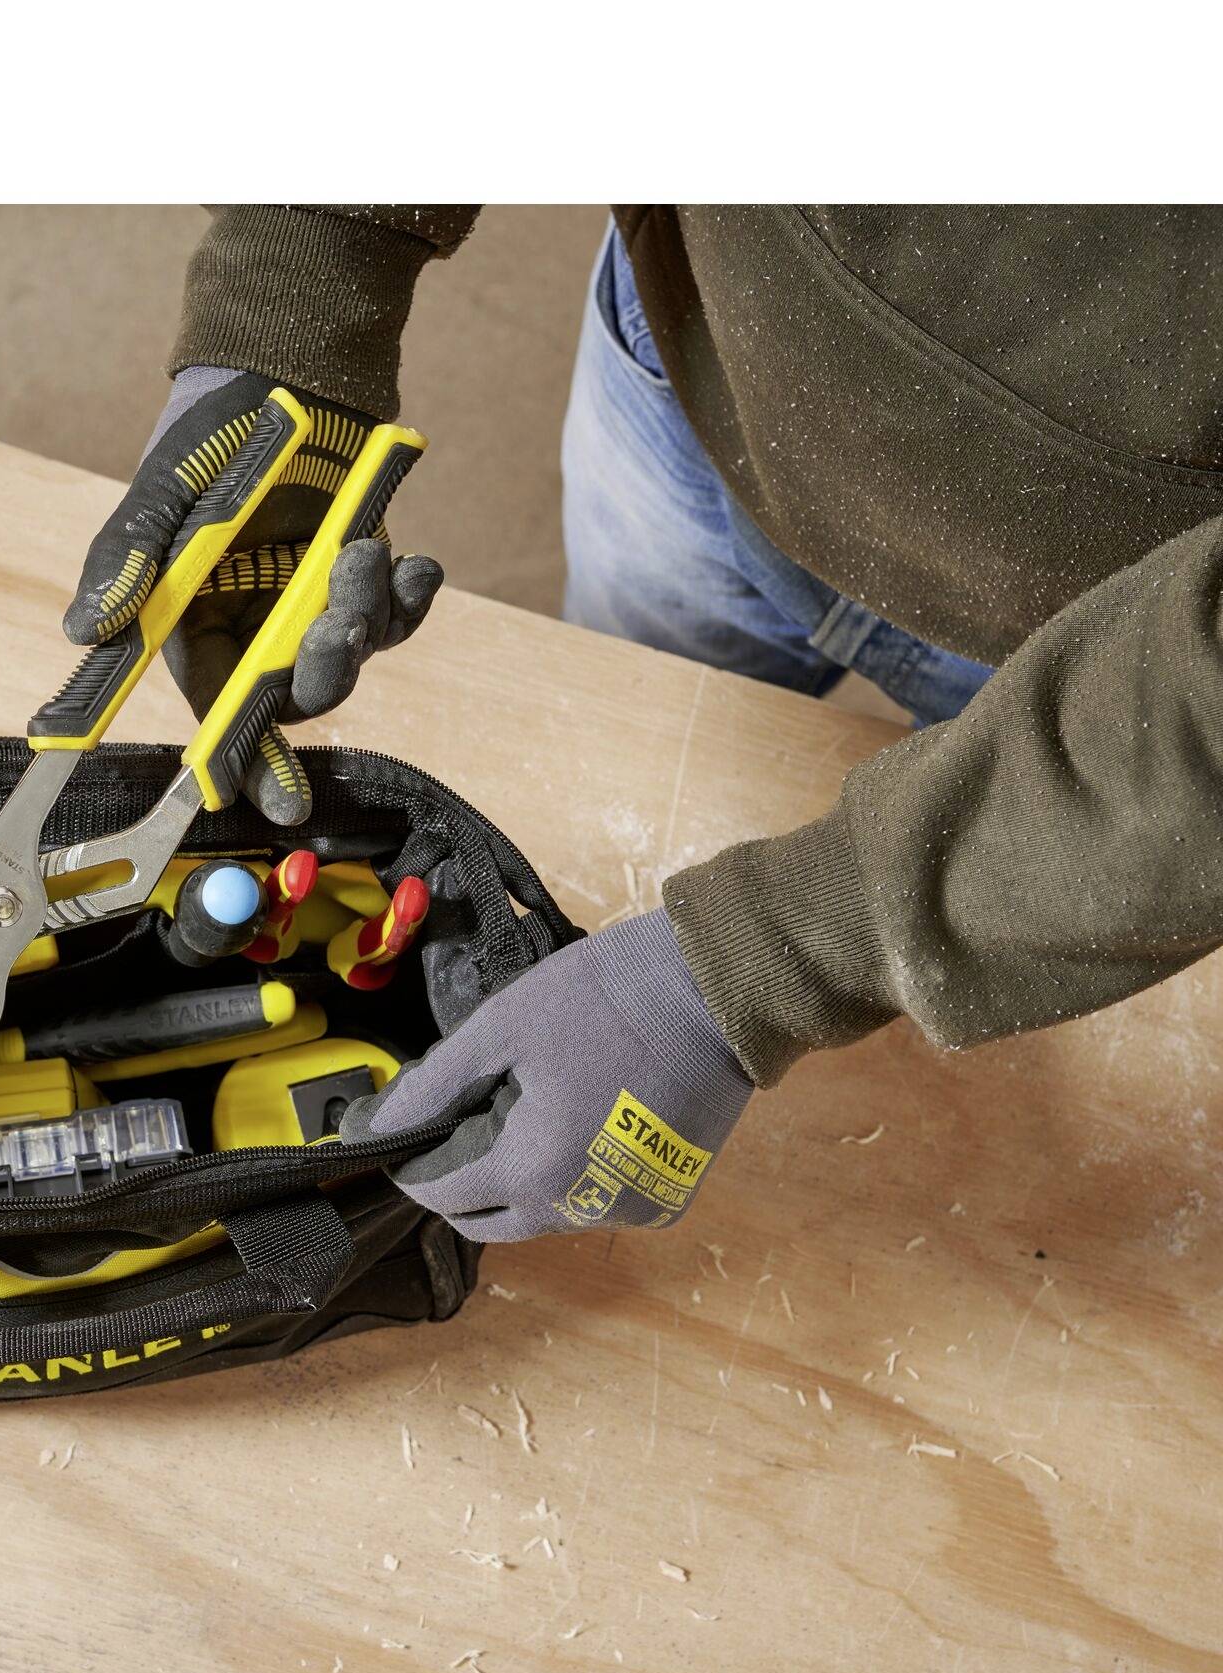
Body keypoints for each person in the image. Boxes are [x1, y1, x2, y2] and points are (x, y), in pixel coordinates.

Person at [64, 205, 1223, 1242]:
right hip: (686, 374)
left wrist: (771, 957)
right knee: (626, 714)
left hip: (1111, 657)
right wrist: (301, 277)